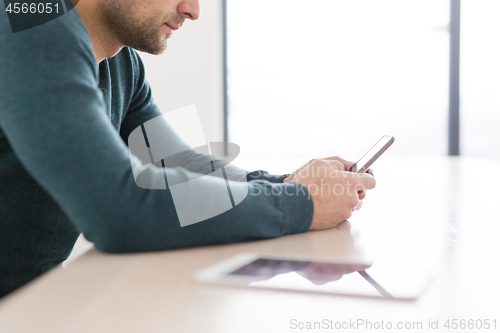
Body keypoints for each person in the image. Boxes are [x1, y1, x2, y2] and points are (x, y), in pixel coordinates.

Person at [0, 0, 375, 298]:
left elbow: (177, 162)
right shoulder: (29, 20)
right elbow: (120, 210)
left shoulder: (120, 62)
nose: (193, 10)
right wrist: (300, 204)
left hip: (34, 306)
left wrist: (286, 184)